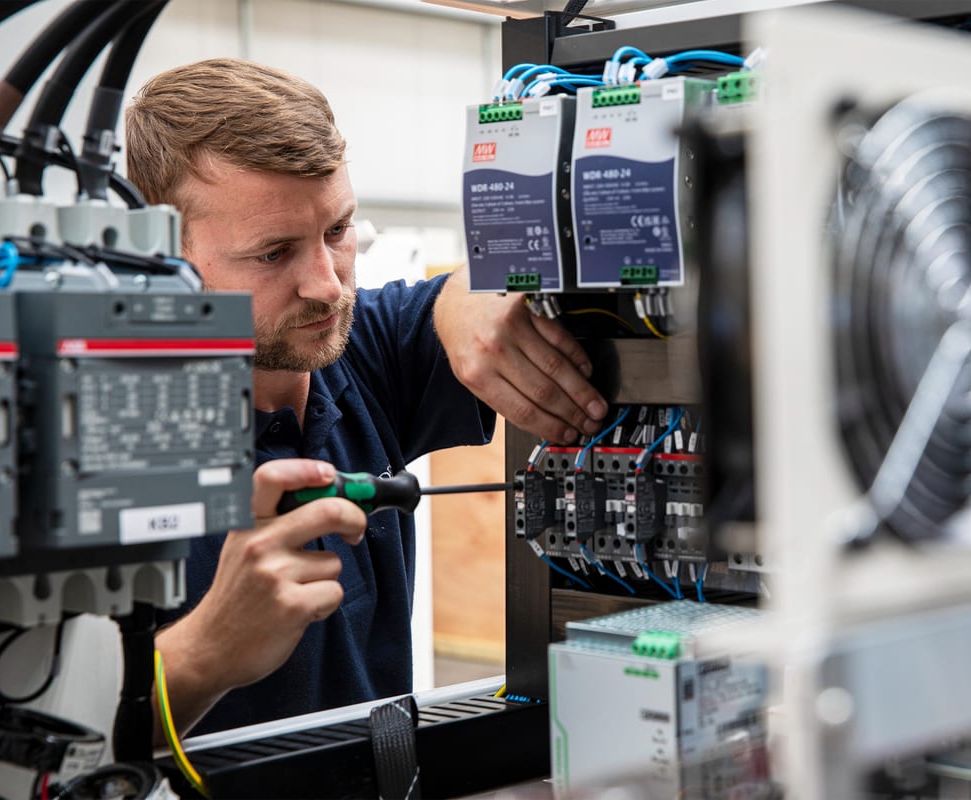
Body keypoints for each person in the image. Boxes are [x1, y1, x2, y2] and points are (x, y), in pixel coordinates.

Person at [124, 57, 608, 736]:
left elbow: (451, 300)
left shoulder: (360, 354)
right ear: (162, 256)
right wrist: (207, 650)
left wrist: (474, 297)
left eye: (337, 231)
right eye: (273, 253)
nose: (327, 285)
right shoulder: (95, 439)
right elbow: (30, 741)